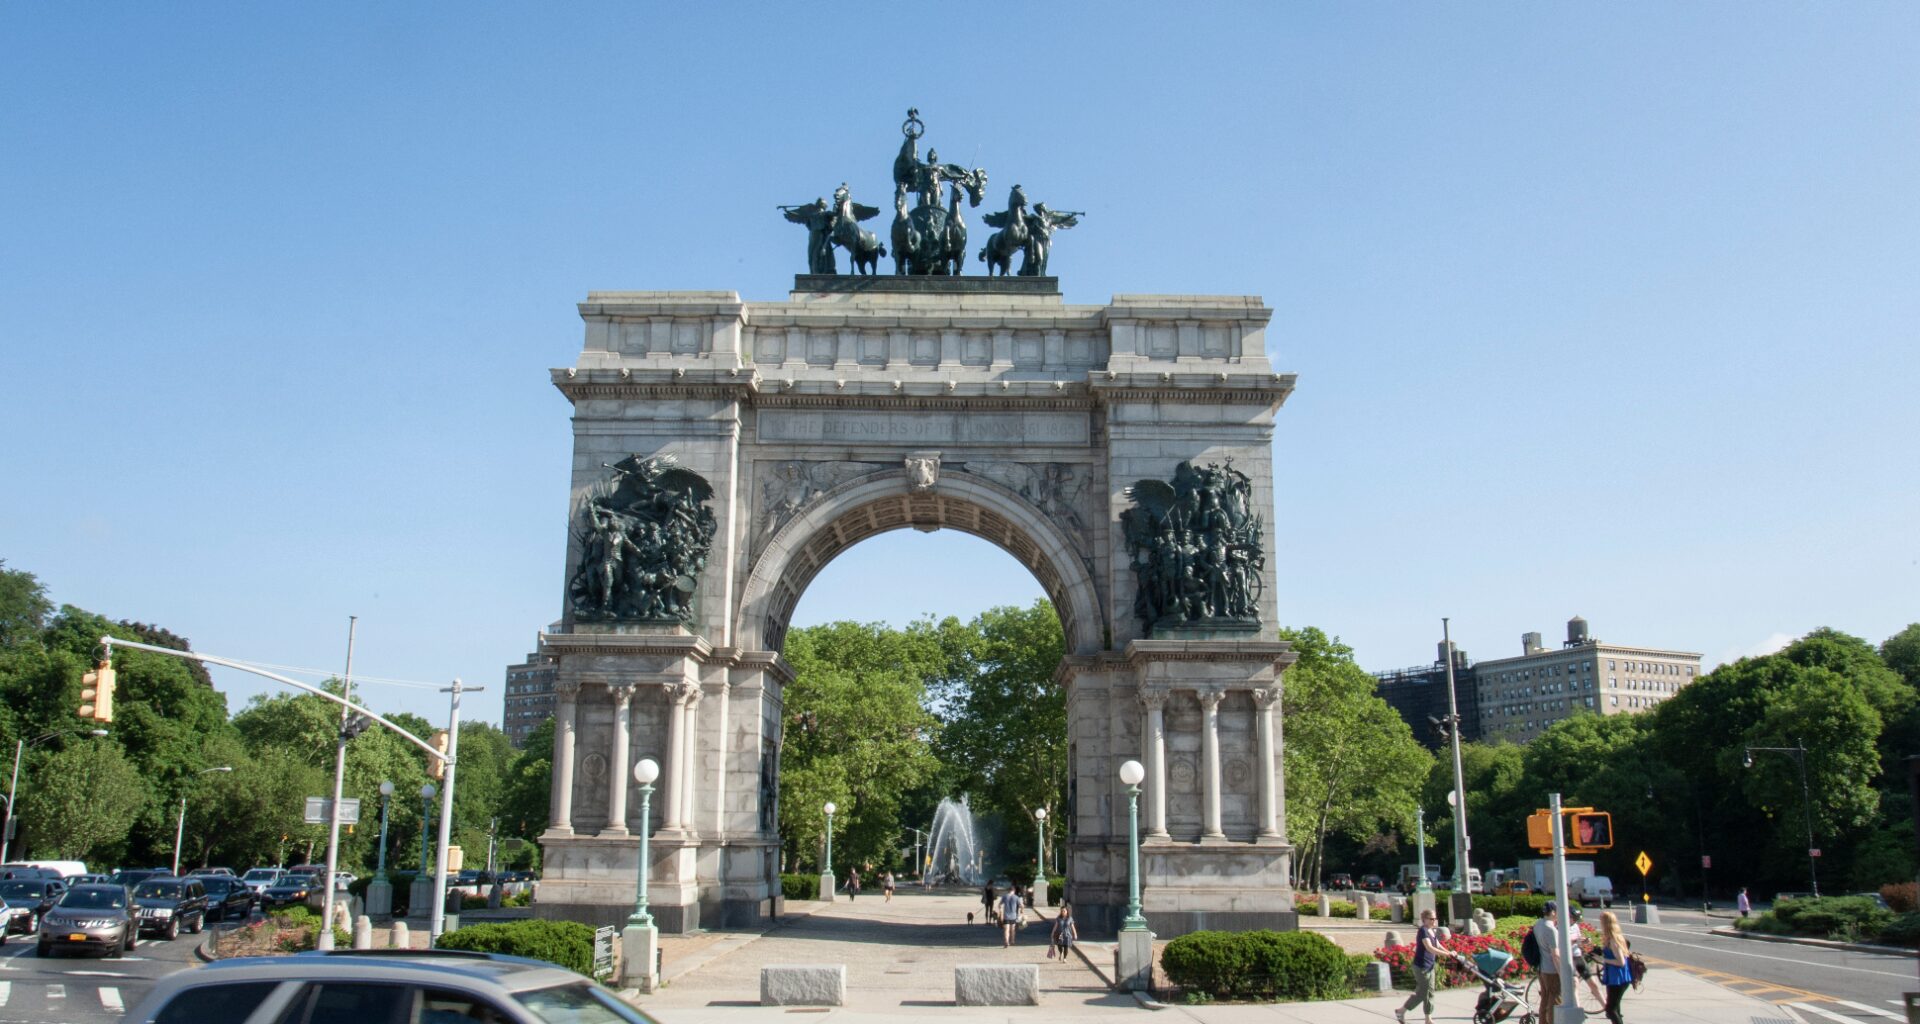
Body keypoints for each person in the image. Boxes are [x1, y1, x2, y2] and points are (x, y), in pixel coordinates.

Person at [1395, 908, 1447, 1024]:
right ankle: (1401, 1011)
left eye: (1435, 919)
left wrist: (1449, 952)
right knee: (1423, 993)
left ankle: (1428, 1019)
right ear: (1425, 919)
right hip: (1421, 966)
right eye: (1431, 919)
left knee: (1430, 992)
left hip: (1430, 966)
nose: (1434, 921)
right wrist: (1445, 954)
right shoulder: (1423, 931)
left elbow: (1437, 944)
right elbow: (1429, 947)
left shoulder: (1432, 931)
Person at [1597, 910, 1634, 1024]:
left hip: (1619, 978)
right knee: (1615, 1009)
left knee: (1611, 1010)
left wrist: (1604, 960)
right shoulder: (1609, 938)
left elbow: (1621, 962)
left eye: (1601, 921)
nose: (1600, 924)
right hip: (1614, 977)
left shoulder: (1614, 940)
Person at [1533, 902, 1565, 1024]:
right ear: (1552, 913)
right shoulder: (1551, 929)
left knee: (1545, 998)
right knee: (1555, 999)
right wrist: (1562, 973)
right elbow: (1555, 954)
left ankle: (1542, 1022)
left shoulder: (1538, 924)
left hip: (1541, 967)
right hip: (1551, 969)